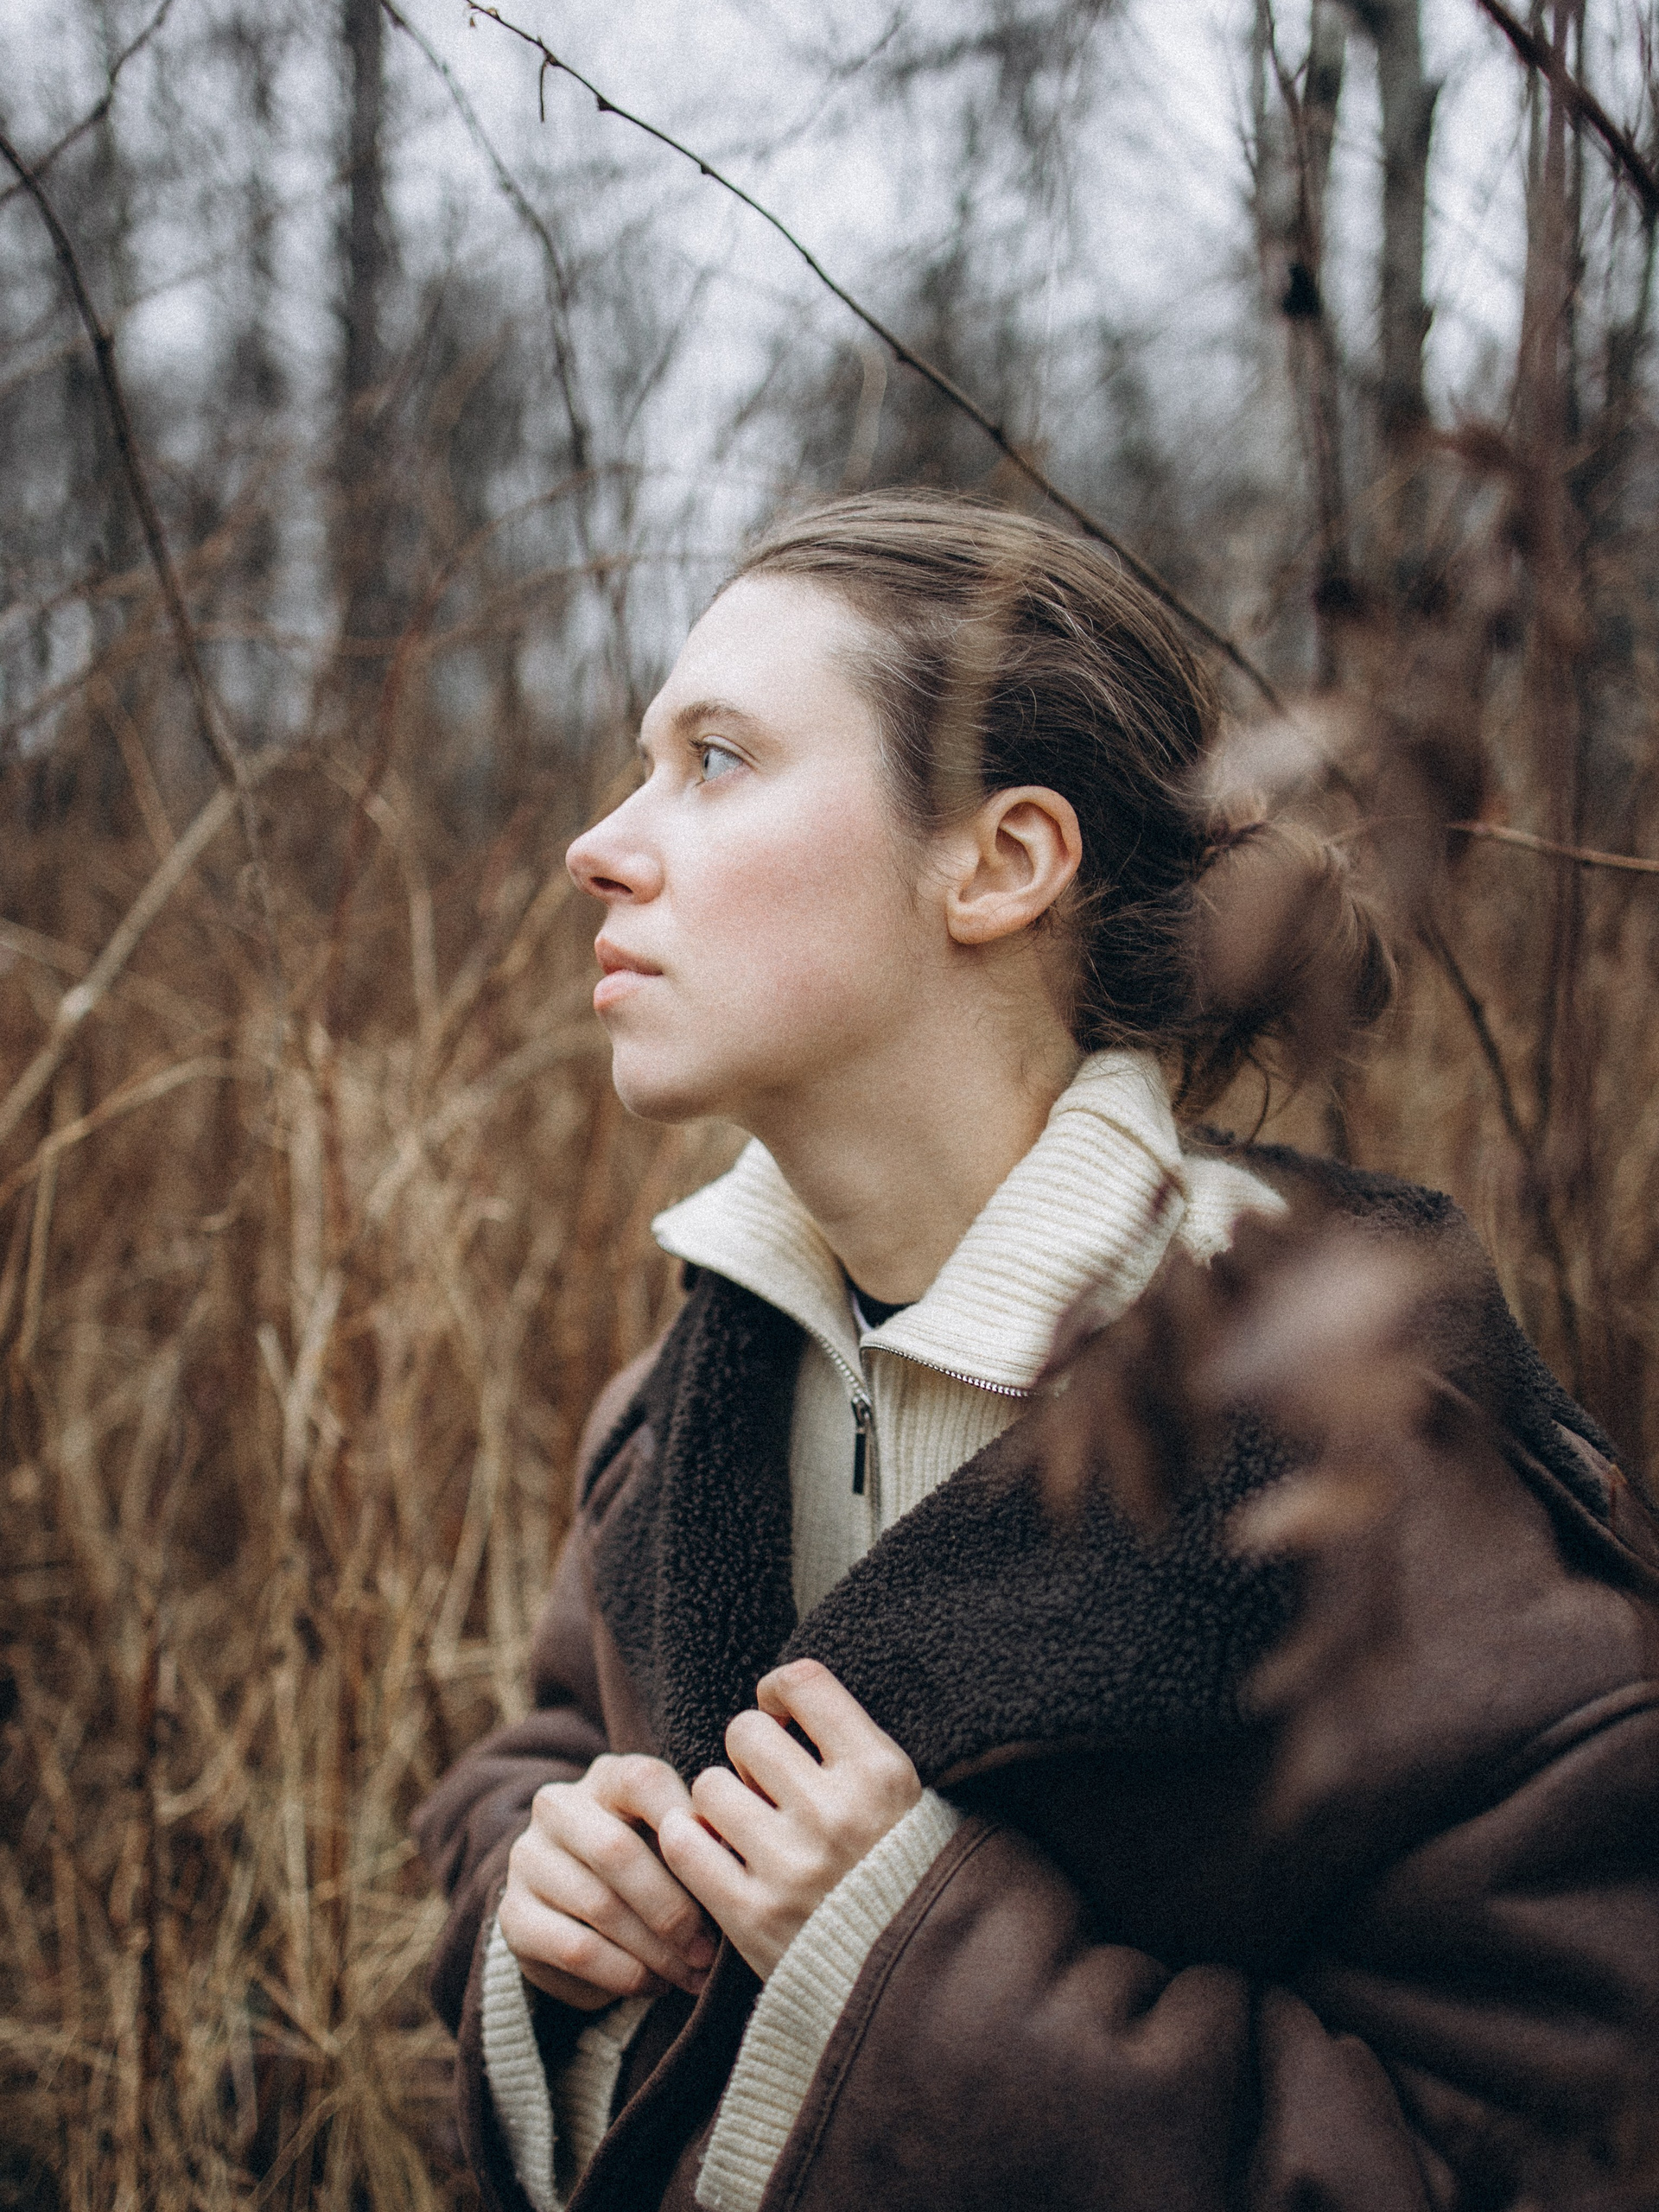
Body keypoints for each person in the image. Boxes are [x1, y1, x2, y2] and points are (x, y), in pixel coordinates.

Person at [412, 491, 1659, 2212]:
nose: (599, 847)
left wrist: (919, 1983)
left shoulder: (1372, 1444)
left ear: (1001, 863)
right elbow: (540, 1755)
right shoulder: (682, 1396)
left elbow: (1548, 2141)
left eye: (715, 759)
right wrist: (538, 1904)